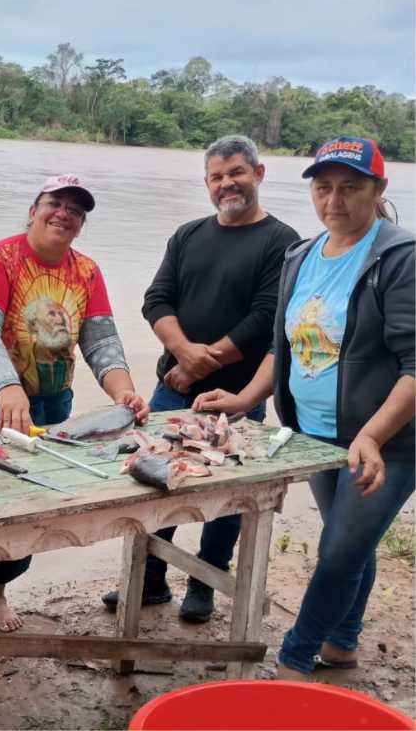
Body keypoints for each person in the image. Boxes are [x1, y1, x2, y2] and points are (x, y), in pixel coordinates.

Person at [194, 136, 414, 680]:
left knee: (339, 550)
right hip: (314, 433)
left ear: (379, 190)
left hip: (386, 441)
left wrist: (373, 435)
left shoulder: (400, 258)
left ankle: (293, 659)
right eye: (323, 188)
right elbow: (284, 347)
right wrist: (247, 398)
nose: (334, 201)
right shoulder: (301, 255)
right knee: (350, 542)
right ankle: (342, 643)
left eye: (350, 188)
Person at [0, 174, 150, 634]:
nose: (64, 214)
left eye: (76, 210)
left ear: (80, 225)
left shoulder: (87, 272)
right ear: (33, 211)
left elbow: (101, 342)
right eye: (55, 203)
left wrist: (124, 392)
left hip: (50, 406)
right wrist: (6, 387)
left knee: (29, 505)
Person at [102, 135, 301, 623]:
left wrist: (196, 364)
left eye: (236, 172)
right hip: (171, 387)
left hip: (238, 396)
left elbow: (265, 317)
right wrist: (184, 353)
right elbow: (156, 300)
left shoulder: (283, 241)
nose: (226, 183)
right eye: (216, 176)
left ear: (259, 174)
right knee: (154, 481)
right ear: (207, 184)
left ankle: (206, 580)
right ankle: (148, 579)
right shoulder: (188, 234)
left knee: (227, 495)